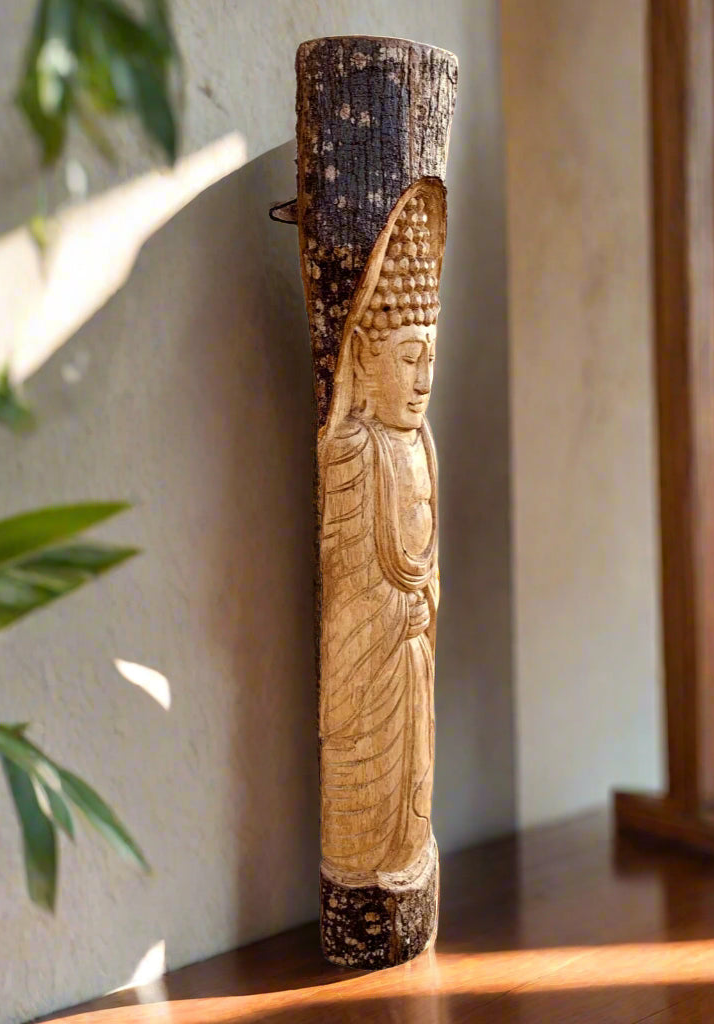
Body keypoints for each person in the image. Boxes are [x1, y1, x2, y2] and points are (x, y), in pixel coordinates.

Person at [317, 183, 445, 886]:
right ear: (364, 356)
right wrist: (399, 612)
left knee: (415, 794)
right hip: (369, 663)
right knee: (364, 806)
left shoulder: (420, 444)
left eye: (430, 358)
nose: (423, 380)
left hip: (414, 659)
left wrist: (423, 607)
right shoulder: (353, 450)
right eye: (406, 358)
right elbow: (348, 579)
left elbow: (422, 563)